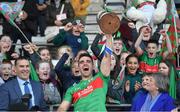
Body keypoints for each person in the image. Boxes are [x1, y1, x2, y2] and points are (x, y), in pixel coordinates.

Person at [57, 34, 112, 111]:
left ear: (93, 66)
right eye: (82, 62)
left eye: (88, 61)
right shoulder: (72, 89)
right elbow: (62, 108)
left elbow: (106, 57)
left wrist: (109, 38)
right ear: (78, 67)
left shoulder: (101, 78)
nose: (85, 63)